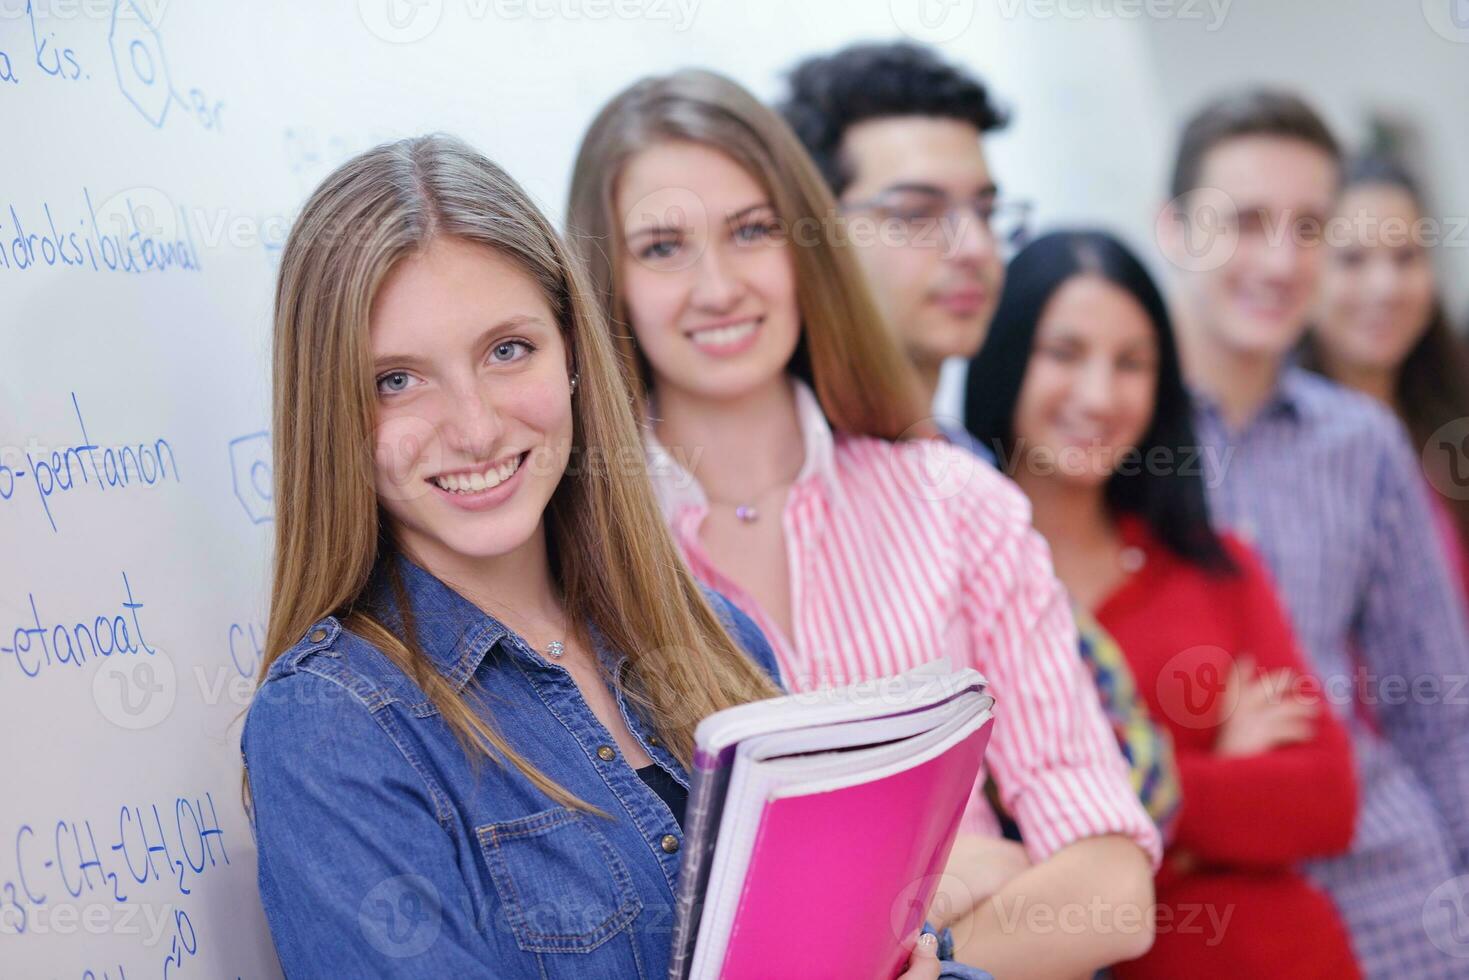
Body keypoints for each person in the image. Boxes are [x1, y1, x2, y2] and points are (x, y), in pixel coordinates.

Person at [239, 133, 957, 979]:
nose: (473, 427)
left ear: (573, 353)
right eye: (395, 380)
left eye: (508, 350)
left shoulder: (715, 633)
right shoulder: (331, 728)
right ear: (330, 411)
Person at [566, 69, 1160, 978]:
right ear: (607, 277)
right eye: (661, 247)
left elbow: (1113, 893)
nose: (717, 285)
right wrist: (960, 868)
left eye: (751, 230)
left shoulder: (955, 503)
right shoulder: (576, 561)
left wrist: (938, 951)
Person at [780, 38, 1182, 846]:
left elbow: (1138, 772)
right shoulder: (778, 474)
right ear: (811, 232)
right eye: (917, 213)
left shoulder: (963, 469)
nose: (971, 247)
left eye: (986, 212)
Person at [967, 229, 1360, 978]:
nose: (1098, 395)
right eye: (1064, 353)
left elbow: (1324, 800)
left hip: (1293, 951)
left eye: (1132, 363)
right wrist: (1216, 773)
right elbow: (1008, 845)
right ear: (1005, 354)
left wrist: (1142, 797)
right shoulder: (963, 587)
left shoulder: (1215, 565)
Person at [1155, 89, 1469, 977]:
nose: (1279, 260)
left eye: (1307, 227)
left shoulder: (1359, 440)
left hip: (1397, 892)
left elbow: (1437, 707)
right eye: (1245, 222)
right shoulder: (1107, 436)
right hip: (1211, 902)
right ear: (1172, 230)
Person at [1301, 153, 1469, 608]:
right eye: (1352, 260)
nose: (1385, 287)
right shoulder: (1281, 447)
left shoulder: (1451, 416)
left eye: (1405, 258)